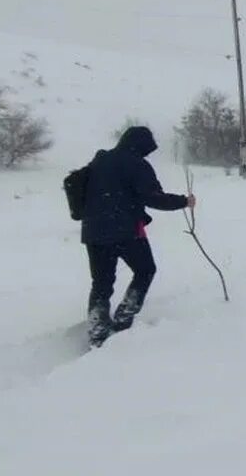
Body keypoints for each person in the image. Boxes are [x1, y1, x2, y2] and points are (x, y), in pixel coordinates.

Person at [81, 126, 195, 346]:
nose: (147, 154)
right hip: (125, 230)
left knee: (101, 282)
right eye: (146, 150)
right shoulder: (137, 164)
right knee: (145, 270)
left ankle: (97, 333)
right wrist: (184, 201)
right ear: (140, 146)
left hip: (93, 231)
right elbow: (153, 198)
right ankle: (124, 318)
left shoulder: (100, 160)